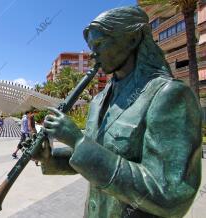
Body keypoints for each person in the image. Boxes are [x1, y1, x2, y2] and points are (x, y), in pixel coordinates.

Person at [36, 6, 202, 218]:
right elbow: (101, 154)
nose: (93, 53)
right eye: (90, 46)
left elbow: (170, 194)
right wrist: (51, 158)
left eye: (100, 43)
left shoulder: (169, 96)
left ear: (132, 39)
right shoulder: (98, 100)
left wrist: (78, 142)